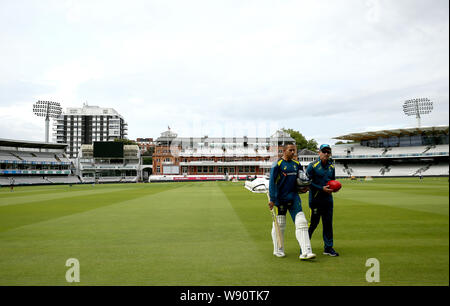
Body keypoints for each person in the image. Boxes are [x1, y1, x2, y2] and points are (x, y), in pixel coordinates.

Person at [268, 143, 316, 260]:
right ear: (284, 151)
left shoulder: (297, 164)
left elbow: (301, 179)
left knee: (302, 222)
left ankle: (306, 252)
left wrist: (303, 188)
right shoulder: (277, 165)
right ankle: (278, 250)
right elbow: (272, 183)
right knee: (280, 224)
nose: (293, 152)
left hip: (294, 197)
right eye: (291, 150)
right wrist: (273, 200)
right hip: (280, 199)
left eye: (294, 150)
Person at [306, 144, 340, 256]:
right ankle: (305, 246)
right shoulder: (312, 166)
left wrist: (334, 189)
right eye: (324, 151)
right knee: (313, 224)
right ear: (319, 152)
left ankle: (328, 248)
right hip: (315, 200)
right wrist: (321, 188)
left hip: (328, 200)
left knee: (328, 224)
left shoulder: (332, 167)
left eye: (328, 152)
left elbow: (332, 182)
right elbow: (307, 183)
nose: (326, 154)